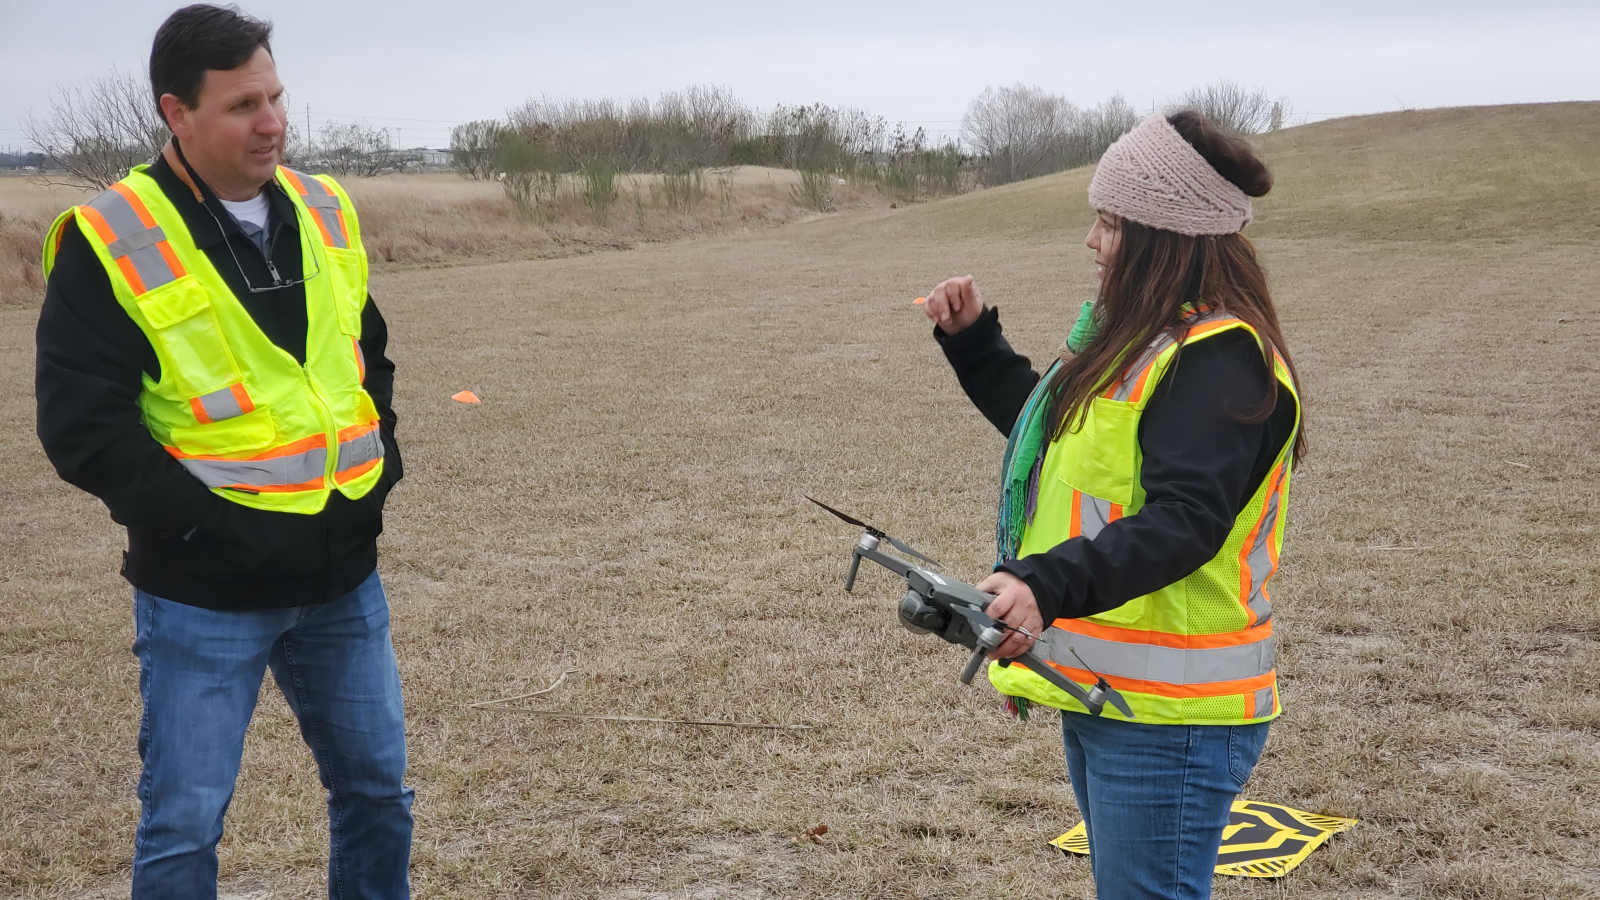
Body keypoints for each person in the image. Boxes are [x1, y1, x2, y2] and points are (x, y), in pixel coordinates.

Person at [34, 5, 412, 897]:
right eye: (244, 104)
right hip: (206, 593)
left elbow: (368, 360)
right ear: (178, 112)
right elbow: (83, 428)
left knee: (377, 797)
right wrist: (209, 531)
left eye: (276, 97)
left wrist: (378, 473)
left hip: (341, 577)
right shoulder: (113, 236)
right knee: (183, 829)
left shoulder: (323, 208)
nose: (273, 121)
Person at [921, 111, 1304, 900]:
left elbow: (1184, 521)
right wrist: (974, 346)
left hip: (1174, 718)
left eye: (1108, 222)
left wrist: (1046, 583)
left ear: (1165, 235)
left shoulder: (1221, 360)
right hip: (1112, 693)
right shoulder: (1145, 342)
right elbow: (1054, 436)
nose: (1090, 242)